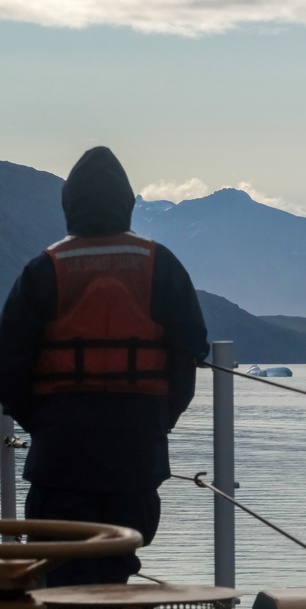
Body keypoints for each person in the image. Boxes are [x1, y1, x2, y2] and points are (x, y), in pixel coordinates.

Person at [0, 146, 209, 586]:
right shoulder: (160, 265)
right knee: (120, 561)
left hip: (60, 449)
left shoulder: (45, 268)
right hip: (137, 448)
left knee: (56, 564)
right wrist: (157, 420)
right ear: (128, 204)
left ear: (68, 206)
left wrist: (41, 423)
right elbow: (190, 350)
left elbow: (10, 363)